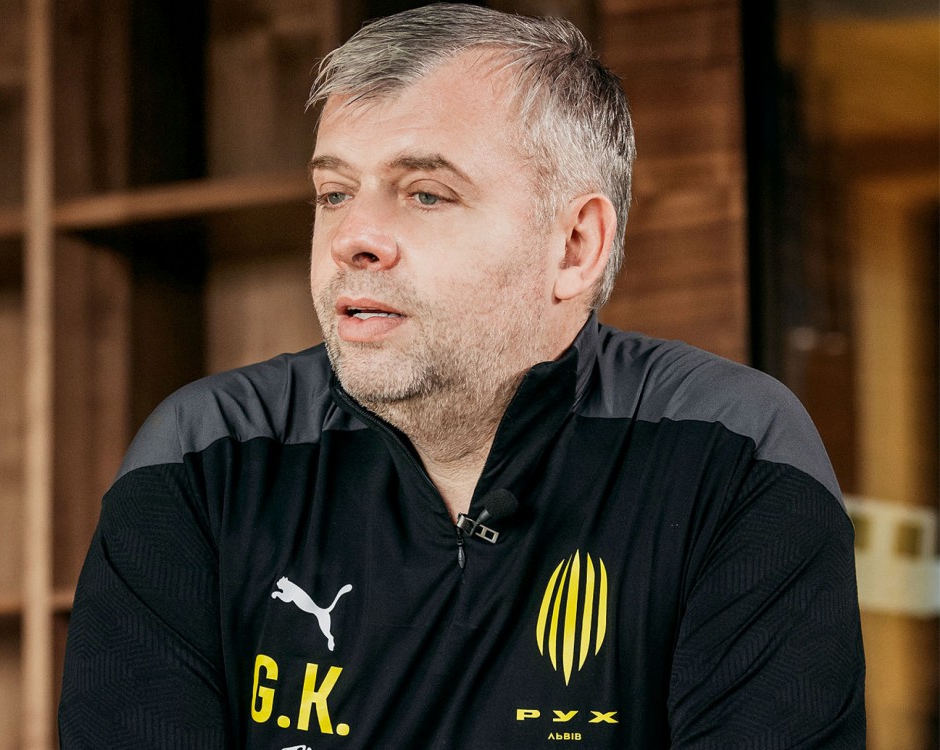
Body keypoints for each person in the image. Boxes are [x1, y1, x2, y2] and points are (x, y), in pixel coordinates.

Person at [58, 4, 865, 748]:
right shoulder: (205, 459)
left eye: (426, 194)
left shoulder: (732, 452)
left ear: (575, 245)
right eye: (334, 193)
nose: (352, 238)